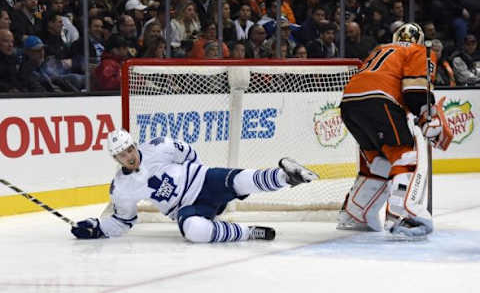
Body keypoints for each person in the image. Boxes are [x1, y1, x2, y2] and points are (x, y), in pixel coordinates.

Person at [71, 129, 318, 242]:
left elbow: (189, 153)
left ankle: (287, 177)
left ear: (134, 144)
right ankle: (247, 232)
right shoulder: (121, 188)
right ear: (115, 159)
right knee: (193, 232)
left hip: (203, 180)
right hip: (186, 209)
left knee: (238, 181)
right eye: (122, 155)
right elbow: (123, 221)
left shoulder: (158, 146)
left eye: (129, 149)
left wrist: (201, 174)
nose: (129, 156)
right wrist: (98, 228)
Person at [337, 23, 453, 238]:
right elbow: (415, 90)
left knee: (379, 162)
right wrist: (426, 117)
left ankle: (355, 214)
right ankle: (402, 217)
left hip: (348, 104)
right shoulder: (419, 51)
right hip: (380, 101)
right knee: (405, 156)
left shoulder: (380, 49)